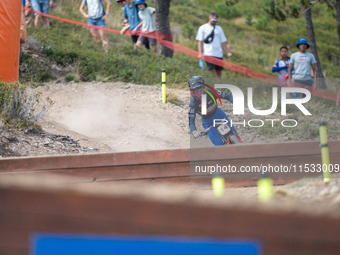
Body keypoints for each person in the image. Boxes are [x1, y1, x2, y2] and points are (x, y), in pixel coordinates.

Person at [188, 76, 241, 146]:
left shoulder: (212, 92)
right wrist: (194, 132)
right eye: (195, 92)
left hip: (220, 115)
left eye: (201, 90)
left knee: (234, 135)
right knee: (219, 143)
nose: (199, 94)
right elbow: (191, 122)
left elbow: (227, 96)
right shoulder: (193, 104)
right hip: (208, 123)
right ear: (191, 92)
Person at [196, 12, 232, 78]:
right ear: (210, 18)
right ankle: (215, 83)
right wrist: (200, 53)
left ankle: (219, 85)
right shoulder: (203, 28)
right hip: (208, 53)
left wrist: (228, 52)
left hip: (218, 54)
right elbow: (200, 41)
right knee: (212, 70)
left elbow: (223, 42)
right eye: (214, 20)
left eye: (217, 21)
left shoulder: (219, 29)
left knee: (219, 71)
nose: (215, 22)